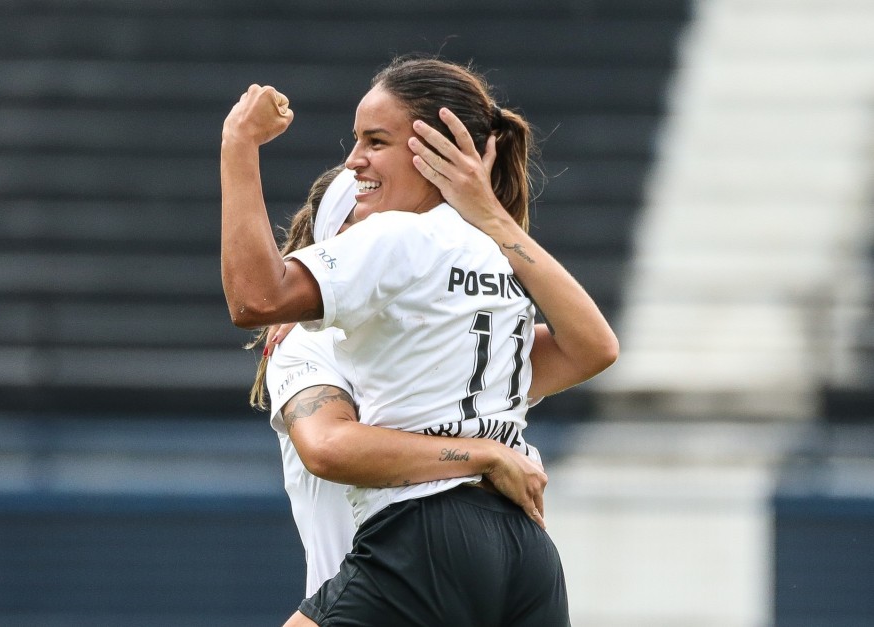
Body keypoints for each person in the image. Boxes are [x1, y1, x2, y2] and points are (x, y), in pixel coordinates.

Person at [221, 56, 618, 626]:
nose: (356, 160)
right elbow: (593, 347)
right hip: (523, 550)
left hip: (421, 544)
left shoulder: (384, 253)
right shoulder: (484, 266)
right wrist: (495, 220)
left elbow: (258, 305)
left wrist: (238, 143)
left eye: (373, 142)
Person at [257, 164, 549, 598]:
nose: (402, 245)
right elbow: (327, 447)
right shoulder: (307, 340)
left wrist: (494, 220)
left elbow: (593, 348)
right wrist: (485, 454)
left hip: (433, 585)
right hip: (372, 588)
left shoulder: (442, 346)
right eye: (373, 232)